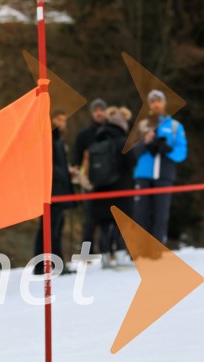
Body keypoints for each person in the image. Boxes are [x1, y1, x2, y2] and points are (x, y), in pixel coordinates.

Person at [132, 89, 188, 244]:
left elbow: (182, 153)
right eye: (152, 101)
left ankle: (157, 248)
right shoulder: (142, 125)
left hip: (164, 175)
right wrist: (146, 142)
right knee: (141, 212)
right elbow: (132, 152)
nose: (156, 104)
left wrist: (168, 150)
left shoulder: (176, 126)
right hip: (143, 175)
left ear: (164, 103)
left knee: (161, 214)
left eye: (159, 101)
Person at [83, 106, 135, 267]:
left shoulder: (96, 140)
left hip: (100, 190)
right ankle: (119, 254)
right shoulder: (123, 141)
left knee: (105, 224)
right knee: (121, 222)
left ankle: (105, 257)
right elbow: (132, 163)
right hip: (121, 189)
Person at [34, 110, 75, 274]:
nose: (61, 123)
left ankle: (43, 265)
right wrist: (62, 175)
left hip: (57, 190)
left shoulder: (58, 140)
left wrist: (67, 172)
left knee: (51, 229)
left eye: (64, 120)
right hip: (54, 192)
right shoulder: (50, 138)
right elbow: (48, 165)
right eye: (58, 119)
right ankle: (53, 265)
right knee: (51, 230)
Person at [73, 99, 108, 251]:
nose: (99, 113)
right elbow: (76, 159)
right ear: (92, 113)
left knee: (108, 219)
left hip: (108, 182)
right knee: (89, 219)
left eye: (101, 110)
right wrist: (81, 177)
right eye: (96, 110)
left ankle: (107, 251)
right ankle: (87, 253)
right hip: (89, 183)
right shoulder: (84, 136)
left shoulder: (112, 133)